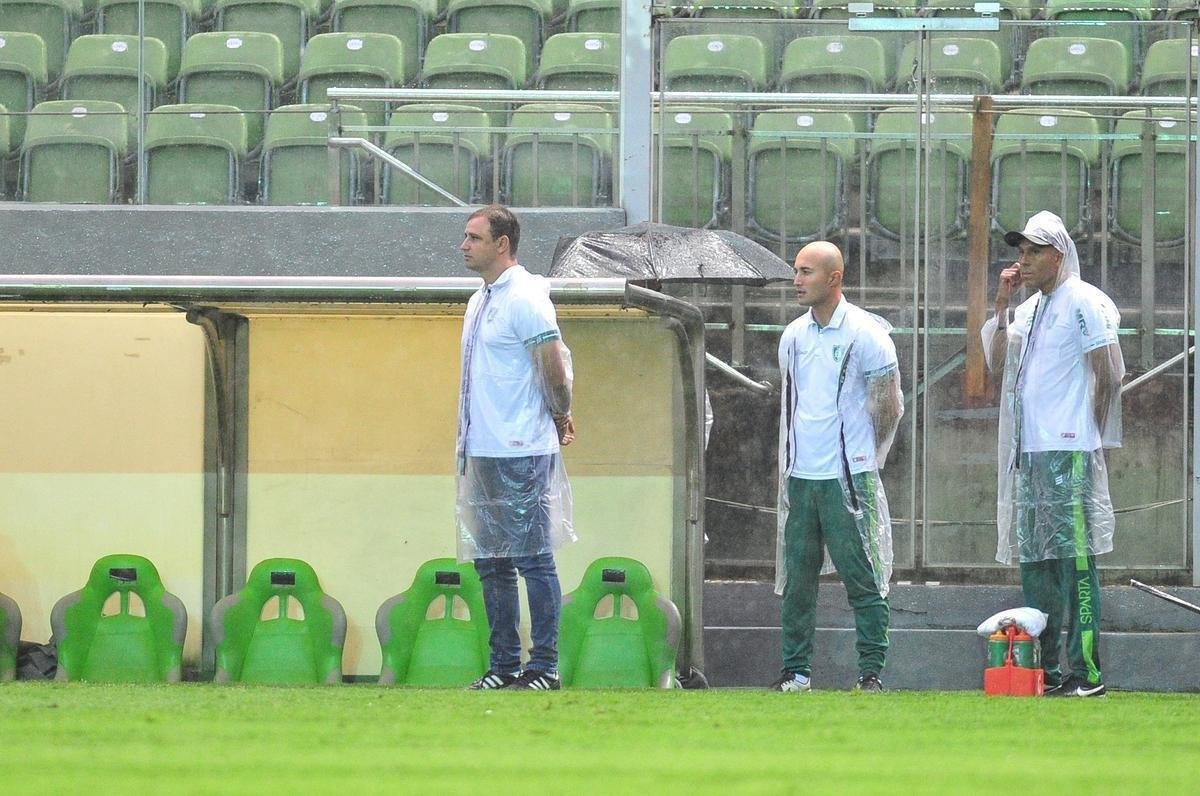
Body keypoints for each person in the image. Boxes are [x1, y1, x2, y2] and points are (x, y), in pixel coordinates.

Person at [982, 210, 1124, 698]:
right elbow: (998, 364)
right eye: (1020, 252)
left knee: (1075, 562)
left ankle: (1088, 671)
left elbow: (1107, 372)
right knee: (1037, 562)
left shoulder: (1083, 302)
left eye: (1034, 252)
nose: (1023, 261)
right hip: (1031, 453)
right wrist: (1002, 304)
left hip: (1068, 450)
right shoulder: (1031, 309)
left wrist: (1090, 435)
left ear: (1058, 255)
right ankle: (1048, 670)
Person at [772, 241, 903, 693]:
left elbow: (890, 407)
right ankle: (796, 671)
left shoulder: (867, 334)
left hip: (849, 478)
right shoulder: (793, 336)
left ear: (834, 278)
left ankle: (870, 672)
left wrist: (866, 456)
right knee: (797, 579)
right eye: (796, 270)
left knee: (863, 575)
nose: (796, 280)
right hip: (802, 477)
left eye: (806, 271)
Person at [455, 204, 576, 691]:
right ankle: (502, 665)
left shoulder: (526, 297)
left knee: (532, 558)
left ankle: (544, 666)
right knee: (490, 560)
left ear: (501, 243)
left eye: (472, 237)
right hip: (482, 448)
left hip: (521, 448)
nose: (463, 245)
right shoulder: (479, 300)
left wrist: (560, 412)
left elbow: (553, 365)